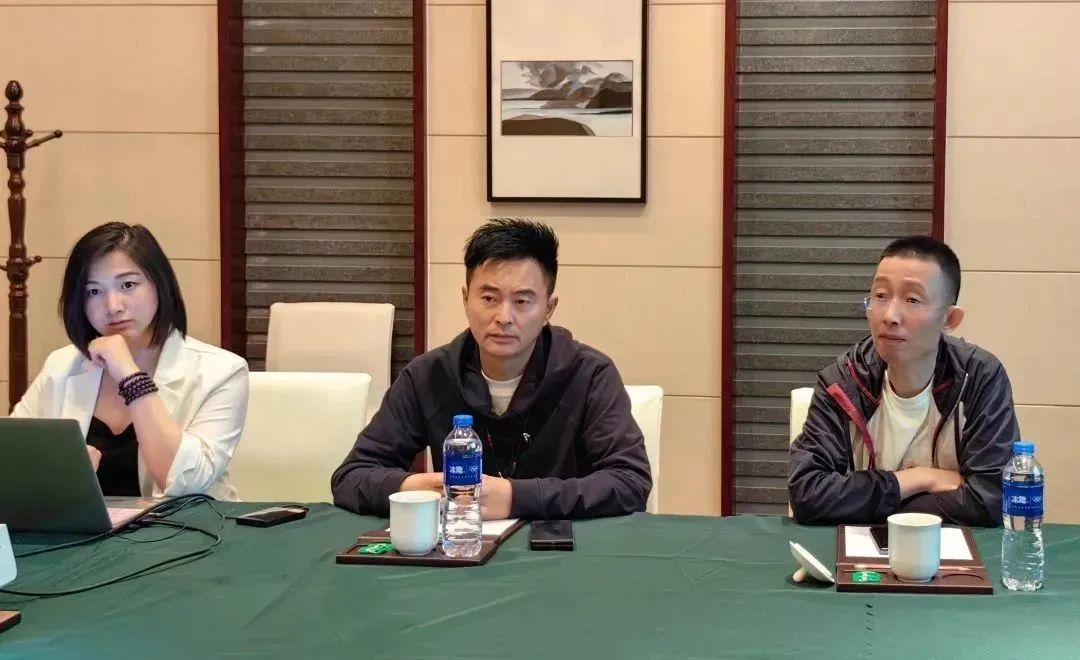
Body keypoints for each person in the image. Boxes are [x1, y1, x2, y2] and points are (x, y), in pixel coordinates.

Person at [332, 218, 651, 519]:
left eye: (522, 301)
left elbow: (630, 482)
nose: (503, 317)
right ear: (465, 299)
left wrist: (516, 497)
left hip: (561, 547)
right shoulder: (427, 376)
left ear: (548, 309)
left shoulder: (590, 375)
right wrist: (416, 488)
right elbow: (351, 477)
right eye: (489, 298)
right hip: (460, 544)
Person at [788, 235, 1020, 527]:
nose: (890, 316)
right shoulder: (844, 380)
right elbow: (807, 494)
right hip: (860, 549)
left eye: (912, 300)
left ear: (950, 319)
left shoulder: (978, 377)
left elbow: (993, 498)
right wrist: (919, 479)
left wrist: (862, 502)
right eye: (880, 296)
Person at [12, 222, 249, 500]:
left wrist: (129, 375)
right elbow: (13, 460)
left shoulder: (221, 371)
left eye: (128, 285)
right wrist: (58, 474)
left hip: (186, 525)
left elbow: (186, 484)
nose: (113, 306)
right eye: (93, 292)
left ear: (159, 285)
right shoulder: (61, 366)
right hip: (83, 527)